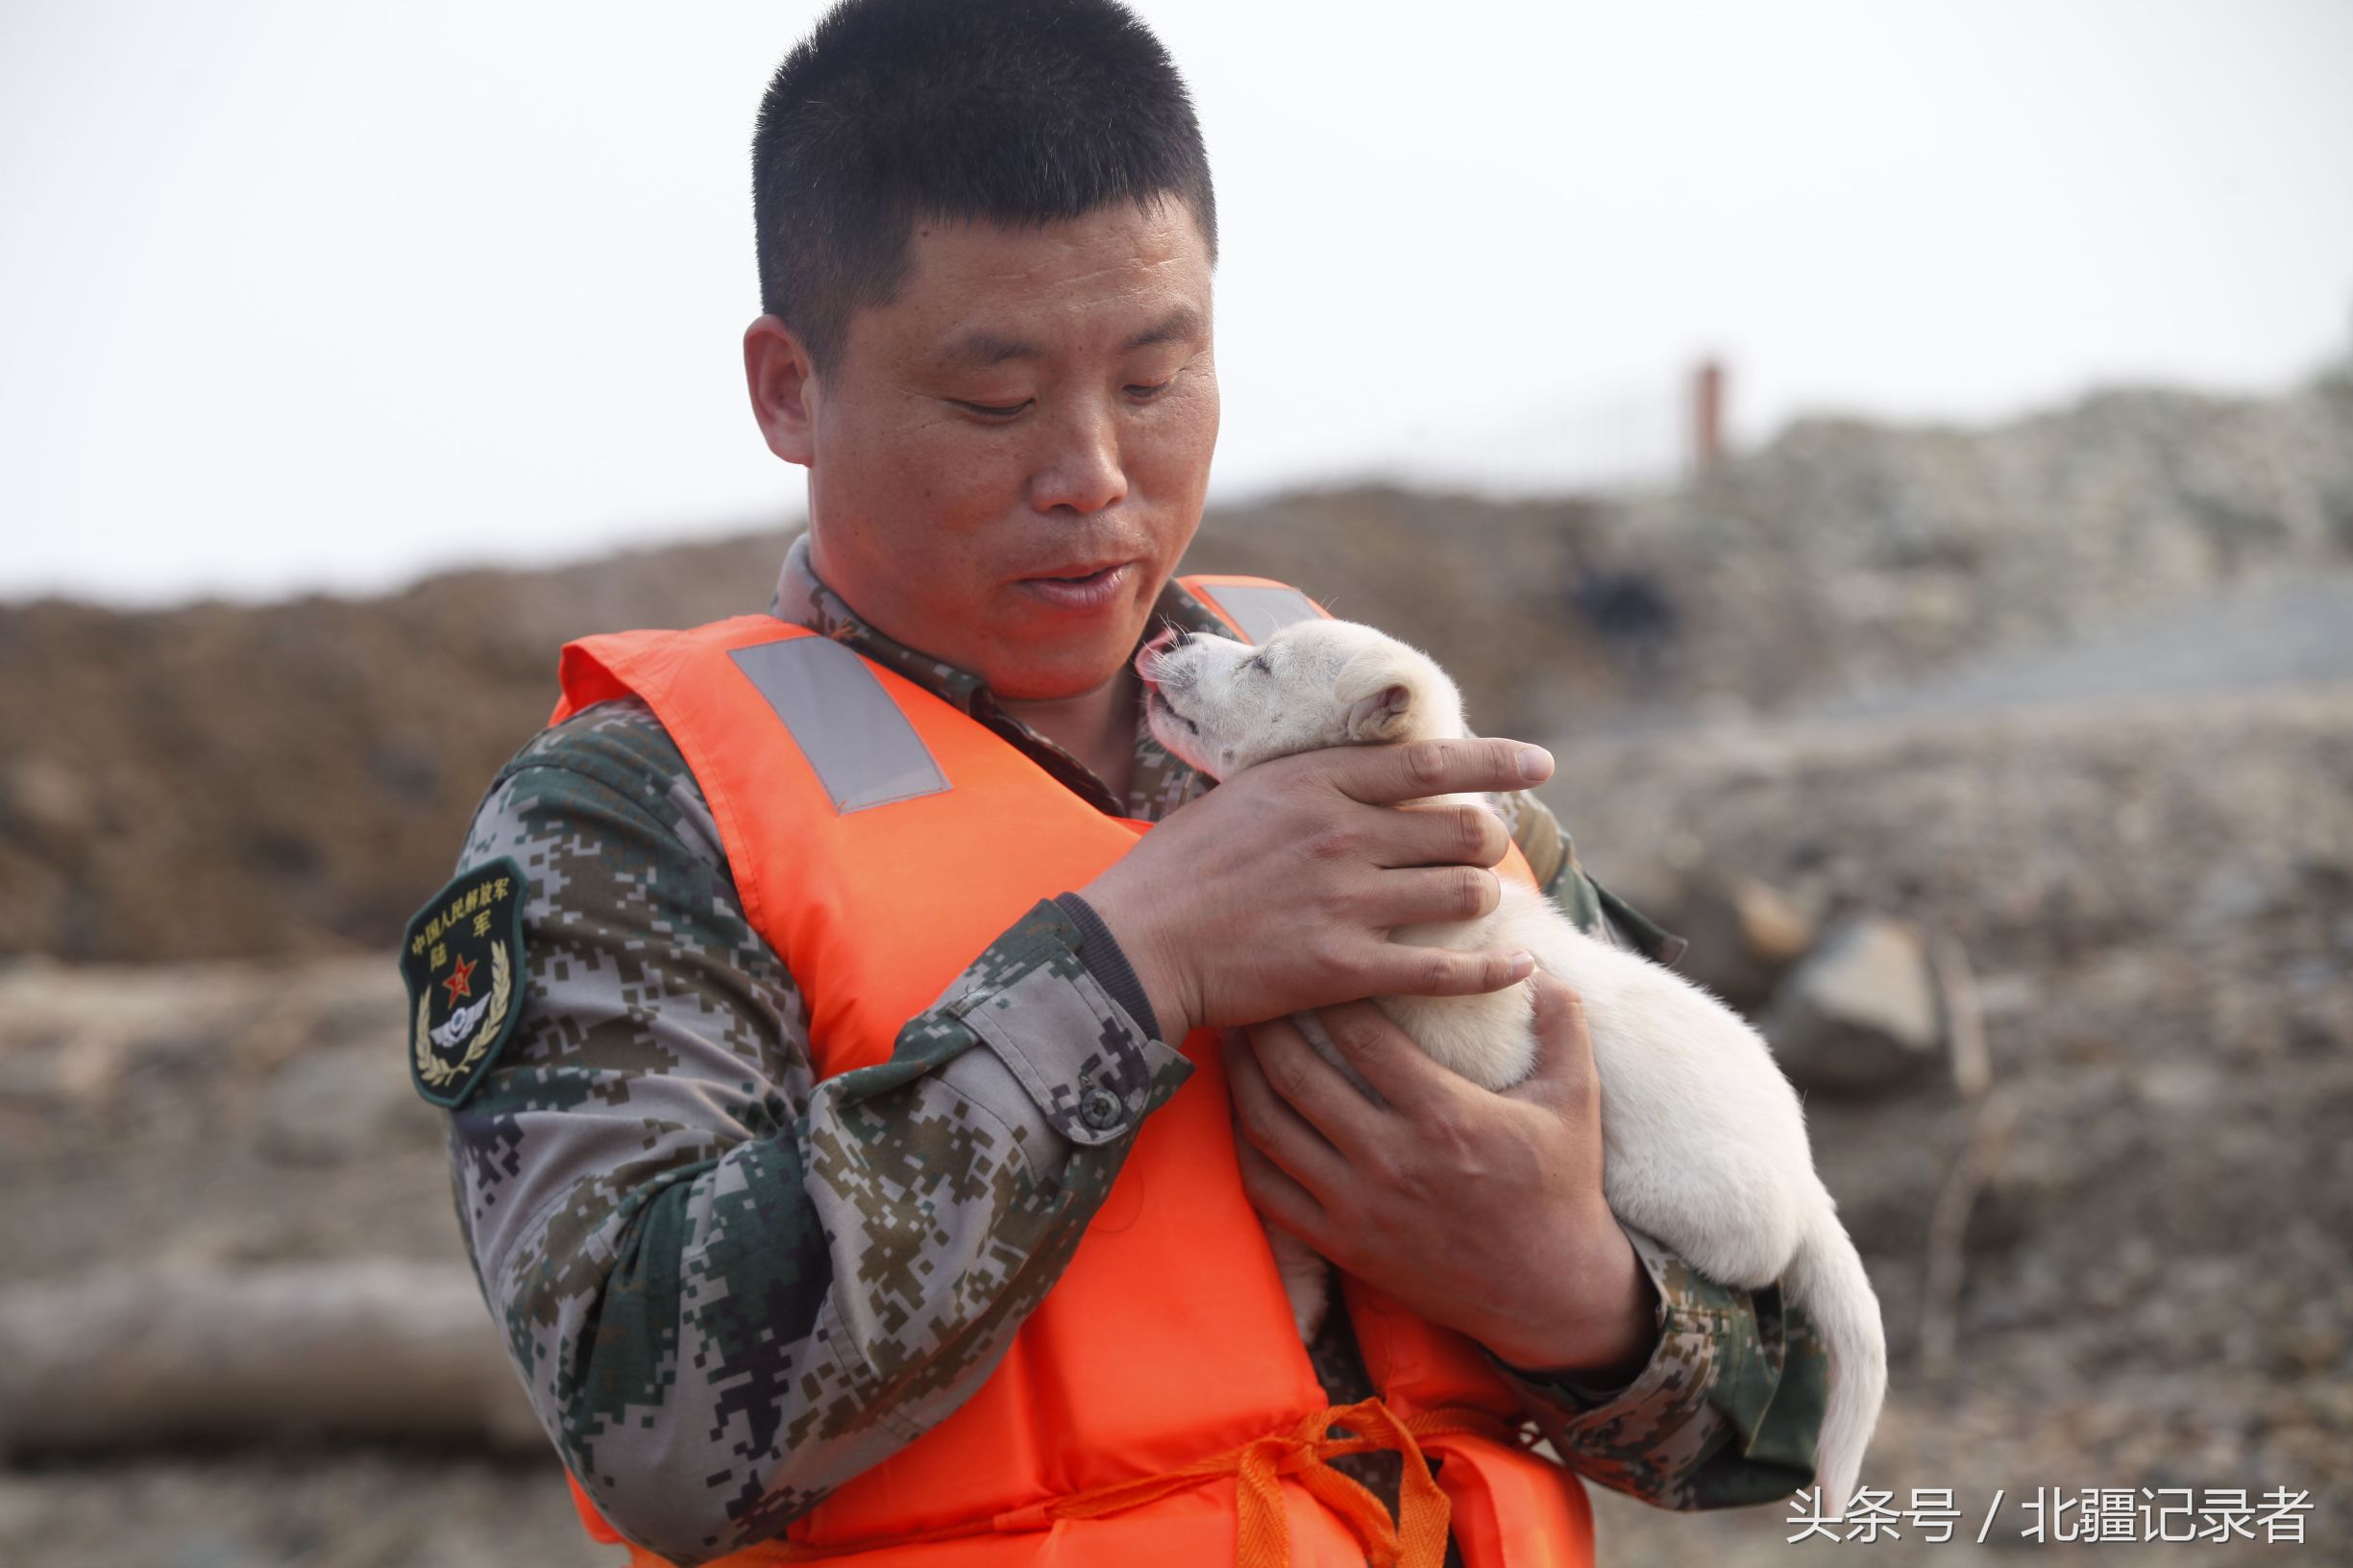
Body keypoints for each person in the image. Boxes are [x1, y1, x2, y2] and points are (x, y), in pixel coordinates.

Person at [400, 2, 1830, 1563]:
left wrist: (1571, 1296)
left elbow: (1789, 1401)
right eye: (994, 401)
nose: (1087, 470)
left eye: (1154, 380)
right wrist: (1128, 965)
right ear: (787, 388)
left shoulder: (1352, 717)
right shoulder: (632, 819)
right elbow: (654, 1435)